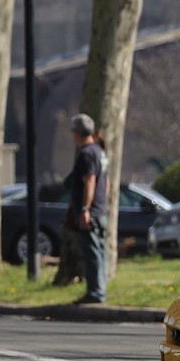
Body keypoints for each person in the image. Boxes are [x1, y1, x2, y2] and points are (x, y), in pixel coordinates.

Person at [65, 113, 110, 304]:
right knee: (99, 252)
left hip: (90, 212)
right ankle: (99, 289)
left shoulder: (86, 154)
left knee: (92, 253)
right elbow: (105, 182)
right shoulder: (99, 151)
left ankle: (96, 292)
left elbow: (90, 181)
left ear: (77, 133)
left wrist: (85, 209)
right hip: (100, 210)